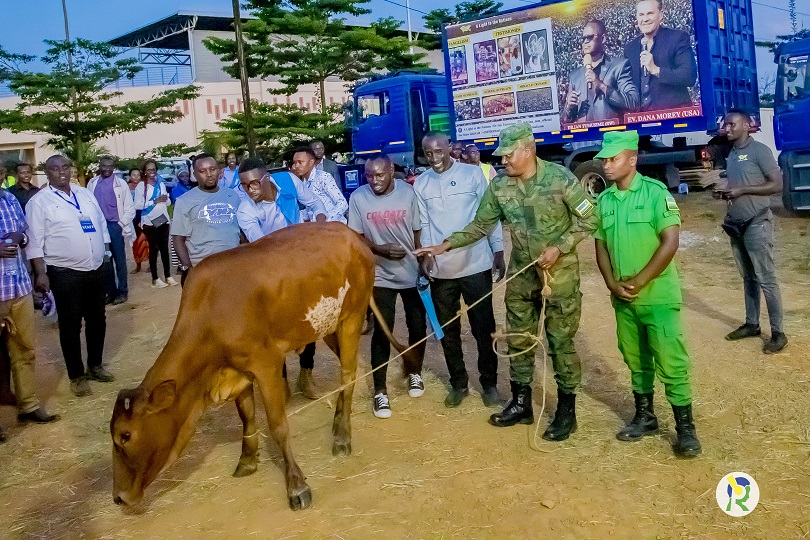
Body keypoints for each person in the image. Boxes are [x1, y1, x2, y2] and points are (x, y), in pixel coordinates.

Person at [416, 123, 598, 440]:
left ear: (528, 150)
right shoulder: (500, 187)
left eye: (508, 155)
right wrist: (446, 245)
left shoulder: (559, 178)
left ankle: (567, 412)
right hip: (521, 278)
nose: (502, 161)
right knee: (517, 339)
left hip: (559, 277)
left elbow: (591, 217)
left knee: (559, 344)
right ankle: (521, 403)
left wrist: (560, 247)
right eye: (500, 156)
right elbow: (480, 225)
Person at [593, 130, 701, 457]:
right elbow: (600, 246)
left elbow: (670, 242)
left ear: (632, 159)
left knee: (671, 361)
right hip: (623, 298)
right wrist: (612, 284)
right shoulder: (604, 200)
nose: (607, 165)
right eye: (605, 159)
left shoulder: (656, 194)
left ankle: (685, 429)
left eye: (613, 159)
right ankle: (645, 416)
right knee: (635, 359)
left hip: (657, 295)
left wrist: (640, 281)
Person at [413, 132, 506, 409]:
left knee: (483, 329)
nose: (434, 158)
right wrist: (428, 255)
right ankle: (458, 383)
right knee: (448, 332)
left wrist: (498, 250)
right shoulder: (421, 183)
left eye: (439, 152)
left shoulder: (473, 175)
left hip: (476, 264)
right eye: (428, 154)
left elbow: (488, 216)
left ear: (450, 149)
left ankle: (489, 384)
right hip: (442, 271)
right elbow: (426, 225)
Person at [236, 157, 329, 398]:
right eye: (244, 185)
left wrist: (318, 222)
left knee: (311, 319)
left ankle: (306, 375)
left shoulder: (289, 181)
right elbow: (263, 247)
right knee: (276, 329)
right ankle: (282, 381)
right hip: (272, 269)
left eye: (254, 183)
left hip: (303, 263)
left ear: (267, 179)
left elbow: (315, 202)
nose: (250, 190)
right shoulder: (245, 211)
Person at [26, 155, 116, 397]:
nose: (61, 172)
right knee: (70, 324)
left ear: (71, 169)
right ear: (47, 173)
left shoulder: (84, 194)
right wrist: (40, 273)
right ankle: (77, 376)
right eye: (54, 169)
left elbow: (100, 223)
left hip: (97, 267)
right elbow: (35, 242)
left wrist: (106, 254)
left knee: (98, 319)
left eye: (65, 167)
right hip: (64, 272)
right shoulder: (39, 203)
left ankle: (95, 365)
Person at [348, 155, 427, 418]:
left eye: (380, 175)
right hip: (380, 275)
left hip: (411, 273)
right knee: (383, 331)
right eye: (369, 176)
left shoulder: (408, 193)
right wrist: (378, 249)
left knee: (418, 325)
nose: (374, 181)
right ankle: (380, 390)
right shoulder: (359, 198)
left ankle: (415, 372)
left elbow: (417, 231)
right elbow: (356, 236)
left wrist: (423, 260)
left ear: (392, 170)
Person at [714, 109, 787, 354]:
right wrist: (725, 191)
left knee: (766, 279)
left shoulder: (760, 151)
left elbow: (777, 185)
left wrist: (742, 191)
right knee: (749, 278)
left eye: (732, 124)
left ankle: (778, 333)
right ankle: (752, 324)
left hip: (757, 223)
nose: (727, 128)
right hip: (737, 226)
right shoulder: (732, 154)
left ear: (747, 126)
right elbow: (738, 185)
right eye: (726, 125)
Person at [0, 187, 60, 438]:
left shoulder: (10, 199)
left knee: (25, 350)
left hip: (19, 287)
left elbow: (26, 235)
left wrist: (19, 239)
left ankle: (29, 405)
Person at [171, 154, 241, 286]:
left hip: (234, 266)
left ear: (219, 171)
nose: (209, 174)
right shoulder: (184, 201)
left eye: (212, 169)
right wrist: (188, 269)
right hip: (204, 270)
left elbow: (241, 231)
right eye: (202, 171)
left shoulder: (232, 195)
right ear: (194, 175)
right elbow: (178, 239)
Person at [624, 0, 697, 111]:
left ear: (661, 15)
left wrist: (656, 70)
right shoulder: (630, 48)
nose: (645, 19)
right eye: (641, 15)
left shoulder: (677, 38)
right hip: (640, 120)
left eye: (650, 13)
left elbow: (689, 76)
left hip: (674, 117)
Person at [563, 20, 639, 124]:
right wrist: (569, 107)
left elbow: (633, 102)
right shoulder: (574, 76)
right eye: (583, 38)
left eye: (590, 37)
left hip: (611, 137)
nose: (585, 41)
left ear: (602, 39)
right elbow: (566, 121)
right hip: (584, 138)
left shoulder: (620, 66)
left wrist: (602, 86)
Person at [87, 156, 136, 304]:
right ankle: (110, 291)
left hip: (115, 225)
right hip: (99, 227)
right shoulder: (92, 183)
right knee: (105, 260)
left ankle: (122, 291)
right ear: (99, 166)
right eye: (104, 166)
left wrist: (121, 224)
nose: (107, 169)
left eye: (110, 166)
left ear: (114, 167)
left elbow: (129, 208)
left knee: (120, 260)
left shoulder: (120, 184)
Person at [134, 160, 177, 289]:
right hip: (149, 220)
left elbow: (168, 202)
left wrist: (166, 199)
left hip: (162, 218)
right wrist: (154, 201)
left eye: (153, 169)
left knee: (164, 248)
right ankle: (155, 278)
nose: (152, 172)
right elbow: (137, 205)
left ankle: (168, 276)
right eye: (149, 170)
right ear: (144, 171)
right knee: (154, 248)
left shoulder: (161, 183)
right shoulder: (141, 186)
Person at [290, 147, 348, 223]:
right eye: (295, 162)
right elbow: (309, 211)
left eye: (300, 162)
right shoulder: (302, 183)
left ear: (311, 162)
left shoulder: (323, 177)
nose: (296, 166)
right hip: (317, 228)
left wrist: (325, 220)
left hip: (334, 227)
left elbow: (342, 203)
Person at [127, 169, 149, 274]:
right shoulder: (126, 188)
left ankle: (150, 264)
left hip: (144, 215)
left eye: (138, 175)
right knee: (135, 241)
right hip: (132, 217)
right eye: (133, 175)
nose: (136, 177)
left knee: (147, 240)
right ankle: (138, 264)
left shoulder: (145, 186)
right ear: (129, 176)